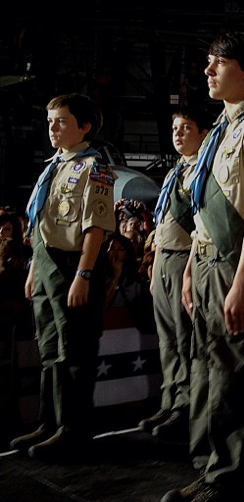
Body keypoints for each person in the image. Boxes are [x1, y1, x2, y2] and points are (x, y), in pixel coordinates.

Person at [161, 32, 244, 502]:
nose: (208, 71)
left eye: (219, 63)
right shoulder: (219, 131)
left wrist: (242, 283)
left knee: (233, 373)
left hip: (236, 267)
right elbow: (199, 212)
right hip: (208, 262)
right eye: (207, 63)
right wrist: (193, 266)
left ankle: (228, 477)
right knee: (205, 369)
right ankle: (206, 467)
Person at [9, 93, 116, 459]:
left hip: (73, 267)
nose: (53, 128)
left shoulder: (93, 167)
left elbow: (95, 227)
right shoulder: (54, 166)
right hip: (46, 267)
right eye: (51, 121)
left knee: (75, 351)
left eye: (62, 122)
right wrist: (34, 272)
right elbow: (42, 225)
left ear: (84, 127)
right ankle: (49, 421)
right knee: (50, 349)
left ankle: (74, 429)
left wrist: (84, 274)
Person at [138, 104, 210, 442]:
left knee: (185, 339)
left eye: (186, 128)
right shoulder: (174, 172)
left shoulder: (203, 172)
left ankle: (186, 406)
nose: (178, 134)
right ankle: (169, 400)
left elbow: (199, 225)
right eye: (175, 129)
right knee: (166, 339)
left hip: (185, 260)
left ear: (204, 133)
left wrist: (190, 272)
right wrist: (153, 266)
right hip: (164, 259)